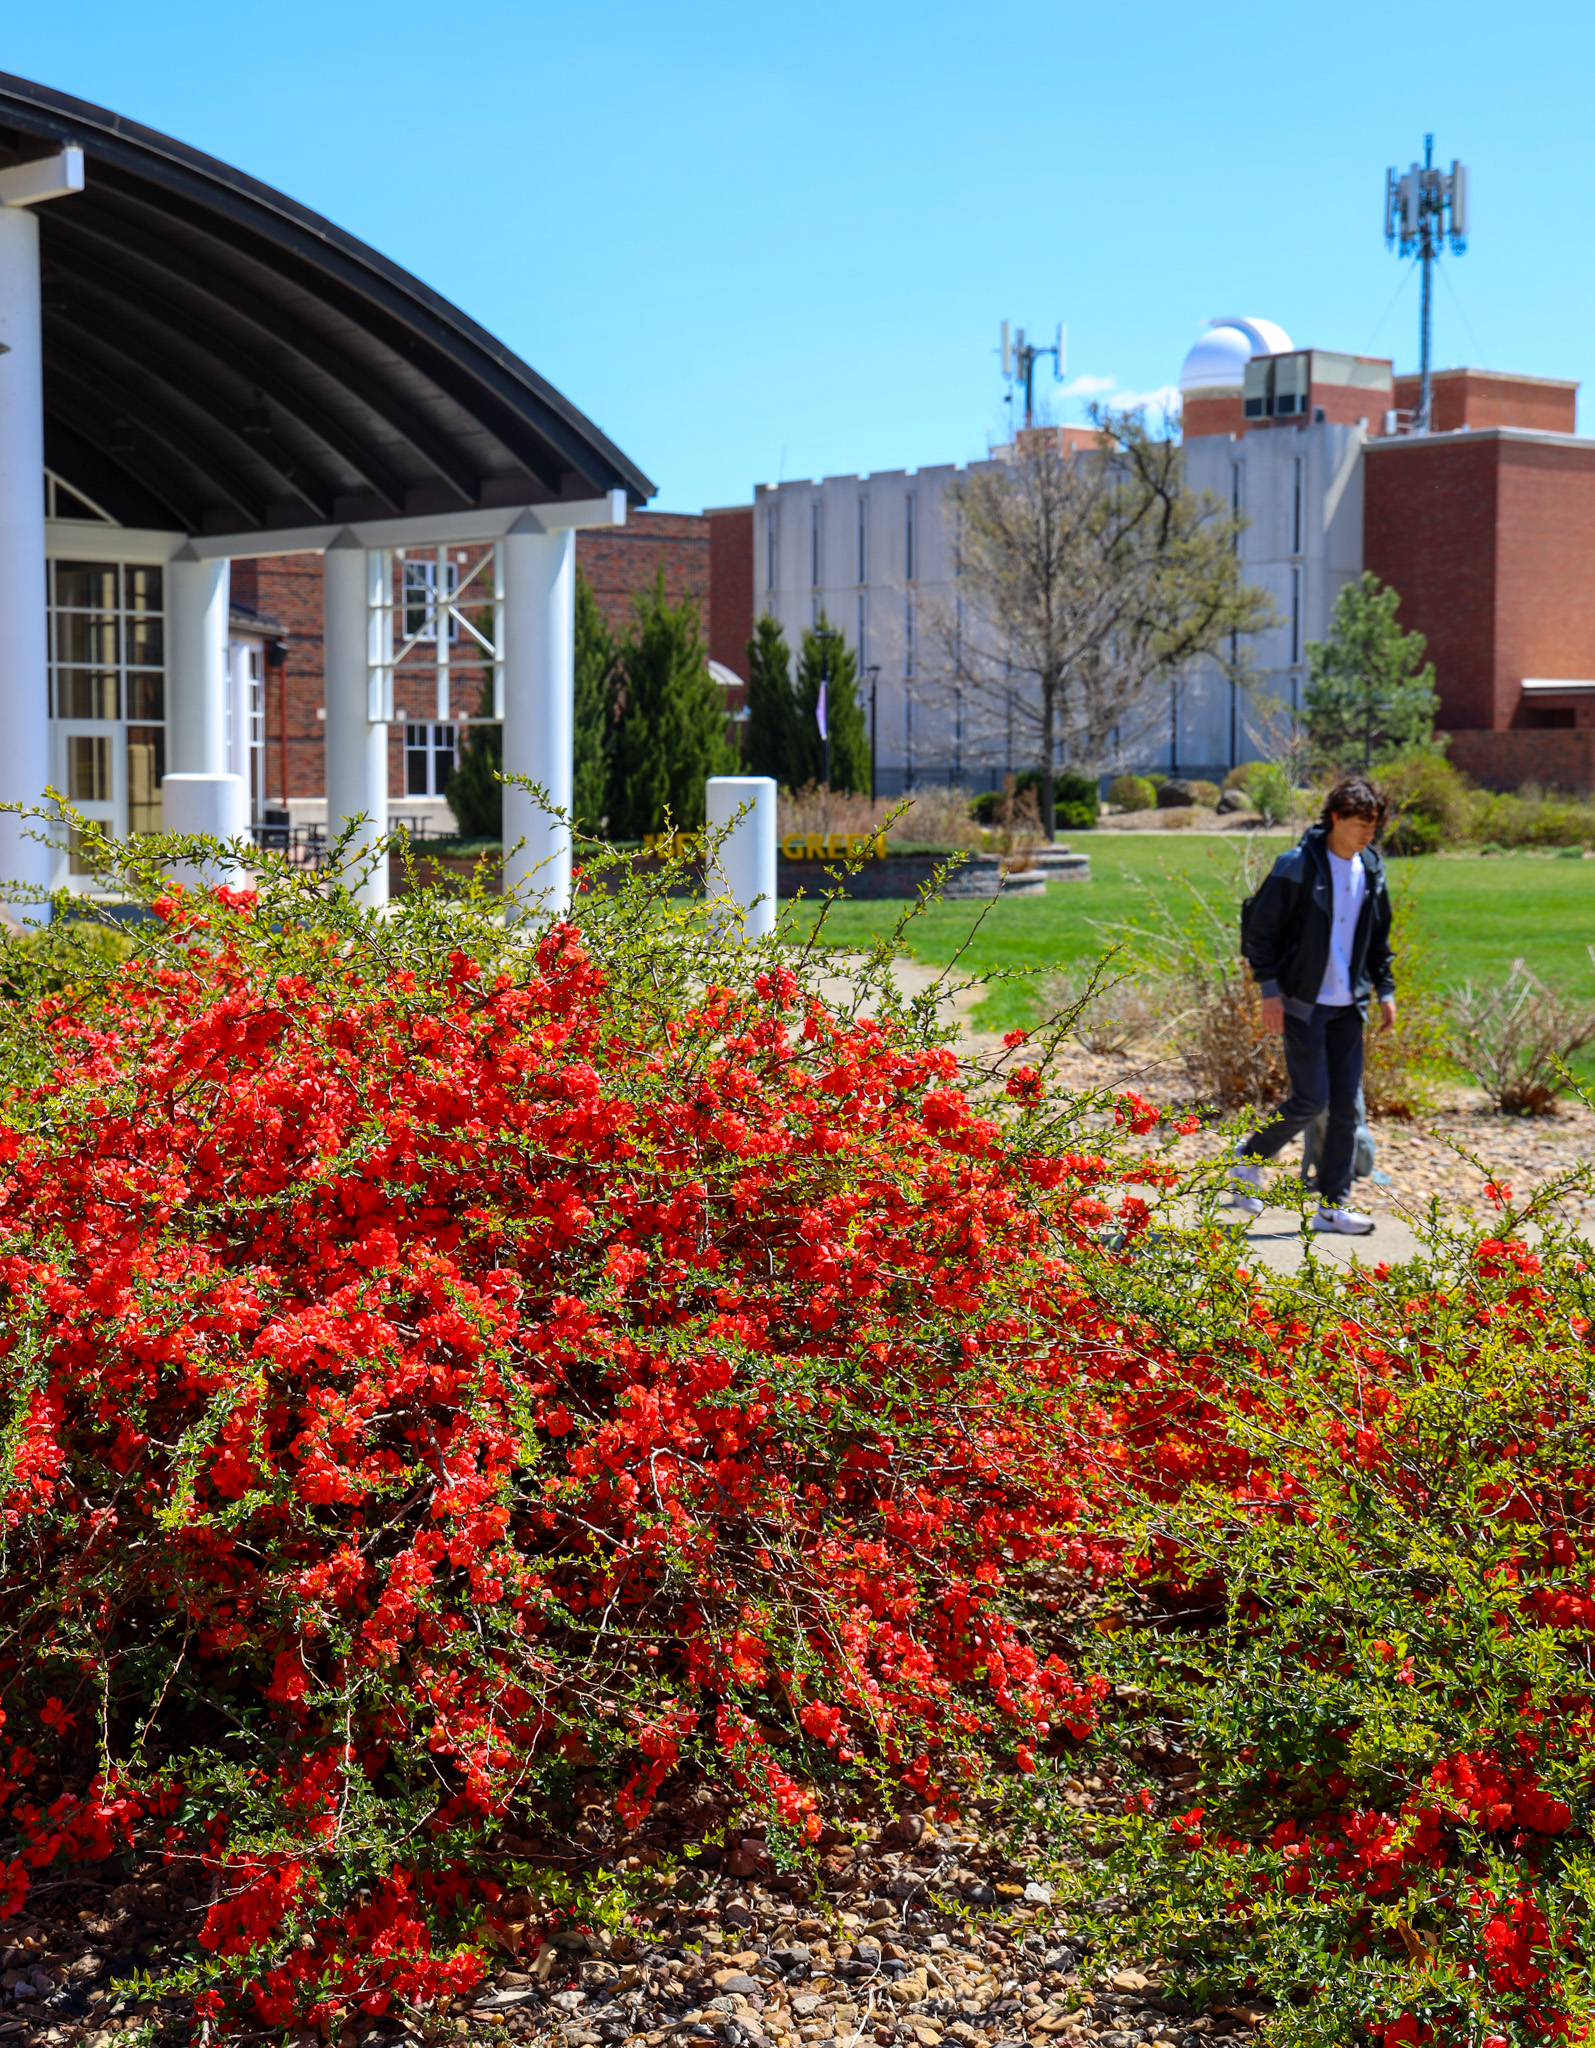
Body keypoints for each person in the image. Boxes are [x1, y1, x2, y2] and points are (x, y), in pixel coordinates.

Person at [1231, 775, 1396, 1235]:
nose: (1368, 833)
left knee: (1346, 1108)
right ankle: (1249, 1157)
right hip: (1302, 1002)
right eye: (1361, 823)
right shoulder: (1297, 866)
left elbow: (1379, 939)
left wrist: (1385, 991)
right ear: (1337, 818)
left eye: (1374, 824)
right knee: (1311, 1098)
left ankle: (1332, 1206)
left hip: (1349, 1005)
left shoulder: (1372, 869)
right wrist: (1269, 991)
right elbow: (1258, 934)